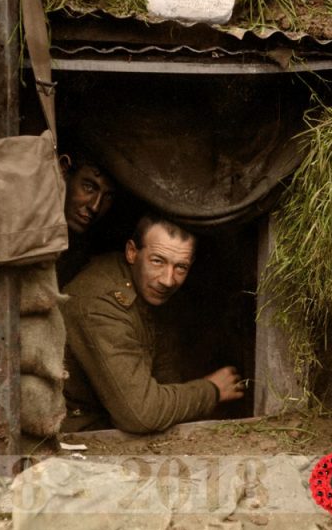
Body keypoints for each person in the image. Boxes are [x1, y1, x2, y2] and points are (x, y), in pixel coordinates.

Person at [61, 212, 245, 433]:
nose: (168, 280)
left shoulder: (148, 289)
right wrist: (212, 390)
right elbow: (141, 415)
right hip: (75, 434)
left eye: (181, 267)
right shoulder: (101, 305)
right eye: (158, 261)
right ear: (132, 252)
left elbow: (165, 376)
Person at [56, 146, 117, 287]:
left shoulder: (88, 253)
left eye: (108, 196)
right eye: (88, 187)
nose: (95, 207)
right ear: (63, 170)